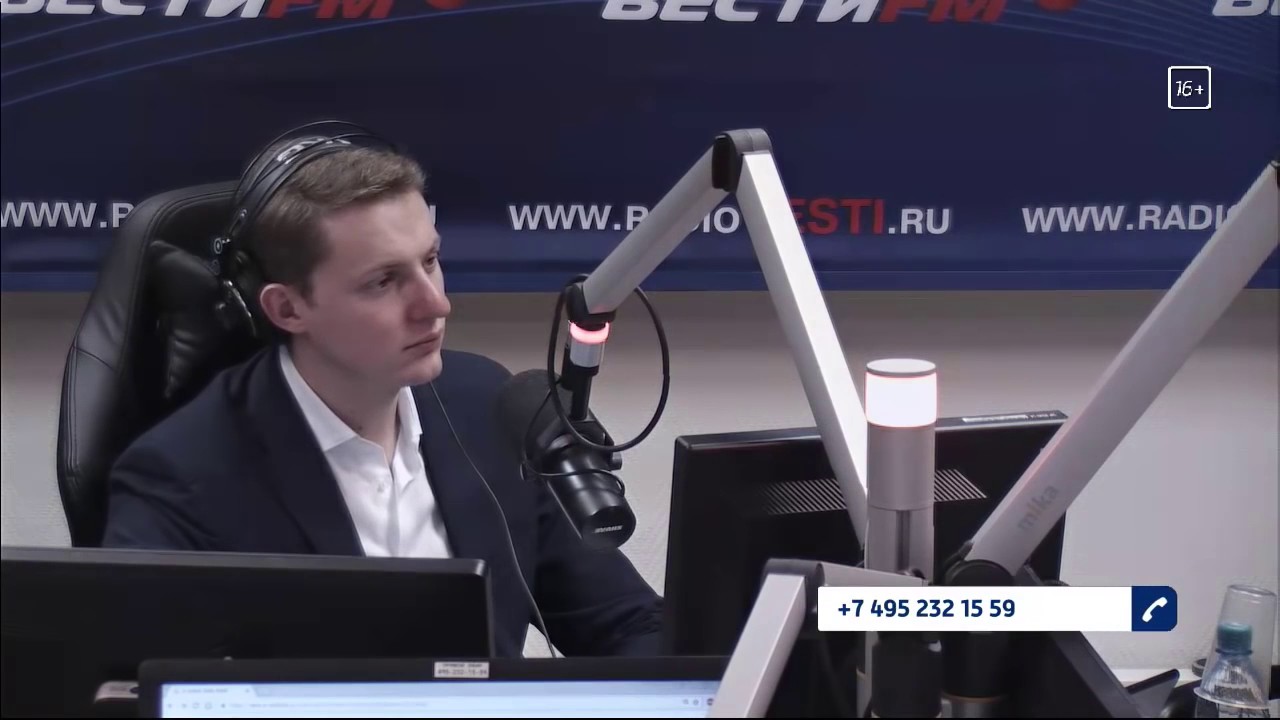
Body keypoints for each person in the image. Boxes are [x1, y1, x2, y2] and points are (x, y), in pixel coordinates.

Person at [101, 130, 664, 658]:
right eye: (383, 281)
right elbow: (137, 684)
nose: (436, 304)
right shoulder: (181, 476)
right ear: (287, 308)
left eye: (430, 261)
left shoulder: (491, 408)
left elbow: (629, 624)